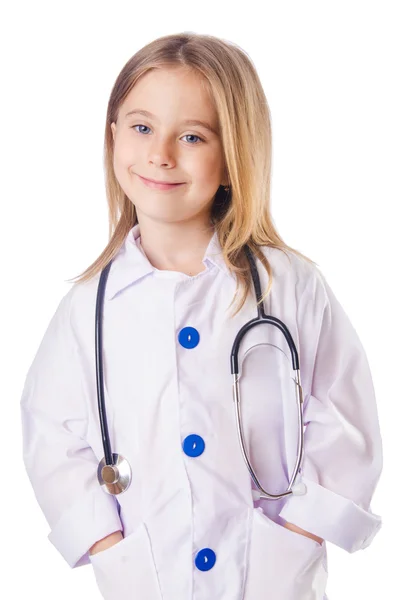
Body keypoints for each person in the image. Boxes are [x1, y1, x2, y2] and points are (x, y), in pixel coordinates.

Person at [20, 32, 383, 600]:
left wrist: (296, 534)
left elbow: (344, 420)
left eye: (192, 136)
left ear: (236, 154)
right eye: (141, 127)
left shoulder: (290, 286)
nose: (161, 153)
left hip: (269, 579)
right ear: (112, 135)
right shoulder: (88, 306)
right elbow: (52, 436)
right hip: (148, 577)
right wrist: (107, 546)